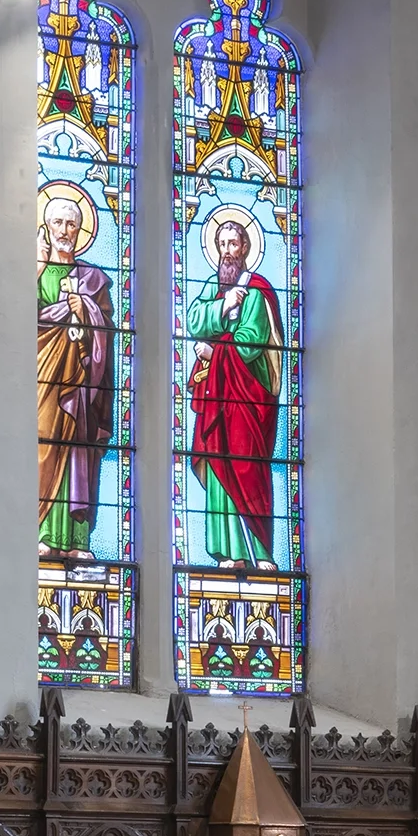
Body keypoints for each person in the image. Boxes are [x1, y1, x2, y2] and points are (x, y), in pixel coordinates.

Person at [184, 206, 285, 569]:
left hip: (245, 398)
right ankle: (228, 553)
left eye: (234, 243)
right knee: (216, 465)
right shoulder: (214, 288)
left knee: (246, 467)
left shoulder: (256, 291)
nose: (228, 250)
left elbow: (251, 341)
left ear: (245, 249)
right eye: (222, 243)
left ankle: (259, 553)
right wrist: (223, 304)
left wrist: (215, 347)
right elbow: (194, 319)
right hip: (217, 398)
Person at [35, 183, 116, 561]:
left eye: (72, 224)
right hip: (43, 386)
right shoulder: (34, 273)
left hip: (82, 386)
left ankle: (77, 542)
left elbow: (108, 335)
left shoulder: (95, 281)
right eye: (58, 222)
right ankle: (42, 531)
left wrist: (85, 309)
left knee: (79, 455)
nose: (65, 230)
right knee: (44, 446)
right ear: (46, 227)